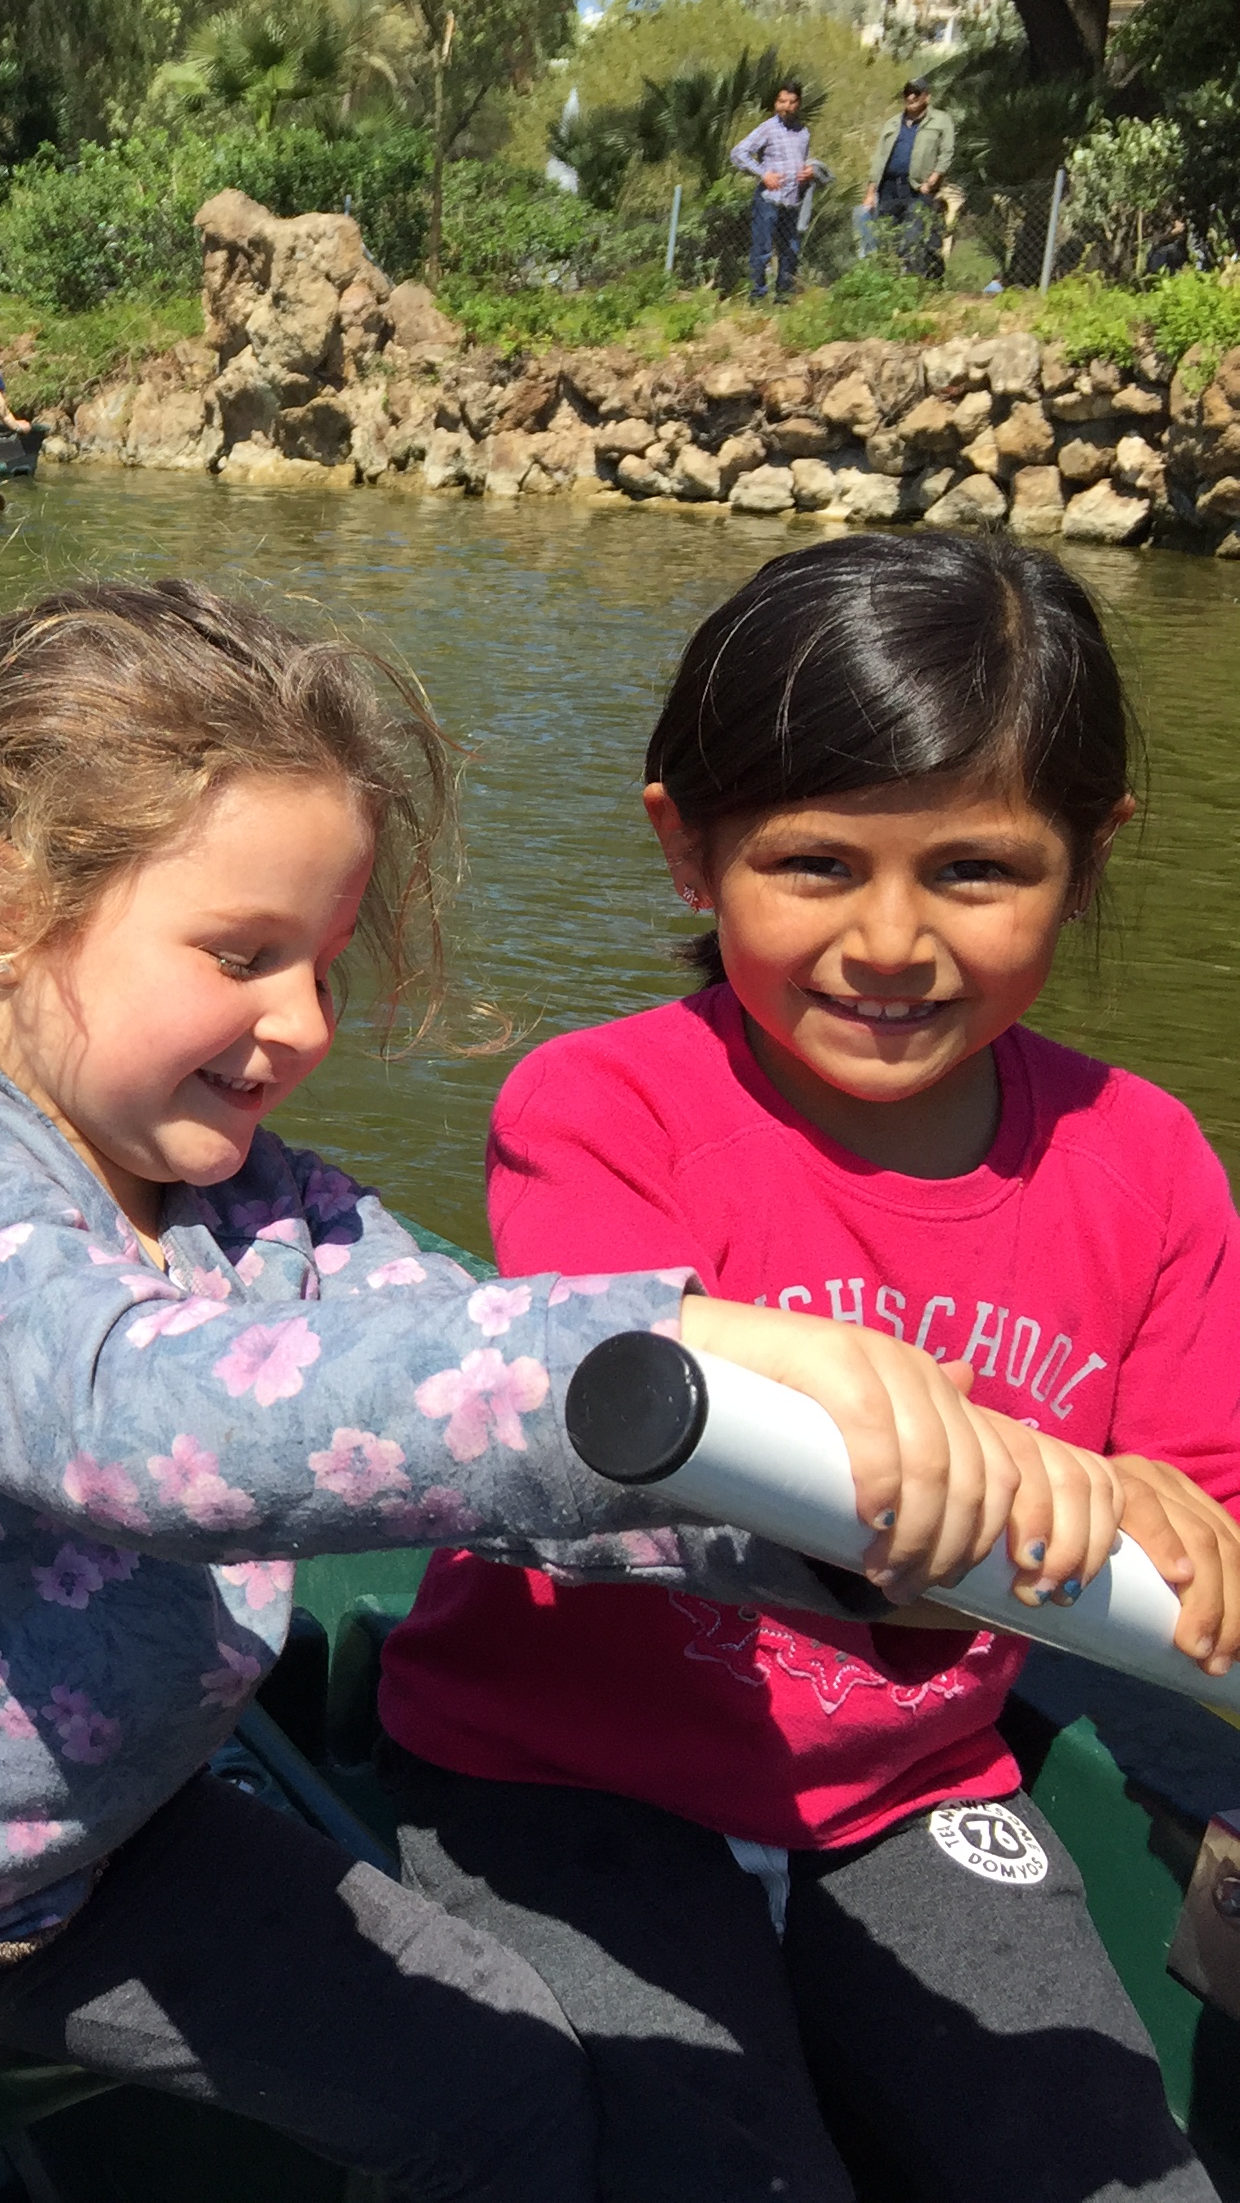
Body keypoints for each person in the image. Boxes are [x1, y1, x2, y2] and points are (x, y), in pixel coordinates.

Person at [0, 581, 1061, 2203]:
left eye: (319, 961)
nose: (302, 1023)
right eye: (241, 955)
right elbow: (132, 1423)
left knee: (516, 2087)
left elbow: (495, 1420)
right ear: (4, 909)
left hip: (83, 1859)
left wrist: (838, 1540)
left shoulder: (270, 1214)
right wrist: (687, 1342)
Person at [378, 532, 1240, 2203]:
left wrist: (1148, 1511)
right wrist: (1023, 1490)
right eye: (816, 863)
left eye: (975, 871)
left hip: (906, 1784)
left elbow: (1197, 1521)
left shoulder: (1145, 1162)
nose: (889, 941)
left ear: (1085, 861)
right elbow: (613, 1431)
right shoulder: (596, 1110)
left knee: (1106, 2167)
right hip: (554, 1772)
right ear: (687, 851)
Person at [731, 83, 829, 304]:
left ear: (798, 104)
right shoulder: (768, 129)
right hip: (769, 199)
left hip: (792, 200)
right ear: (776, 103)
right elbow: (739, 153)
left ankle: (783, 296)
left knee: (790, 249)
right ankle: (757, 297)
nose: (787, 106)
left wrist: (808, 173)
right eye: (782, 101)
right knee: (762, 249)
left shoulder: (803, 132)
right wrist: (763, 174)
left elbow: (802, 161)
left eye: (792, 102)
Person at [857, 79, 956, 277]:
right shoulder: (892, 123)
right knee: (886, 237)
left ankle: (913, 280)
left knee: (913, 237)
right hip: (889, 189)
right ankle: (887, 279)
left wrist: (932, 180)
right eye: (907, 93)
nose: (911, 97)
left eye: (916, 93)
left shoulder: (941, 120)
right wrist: (870, 192)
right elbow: (879, 158)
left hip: (918, 189)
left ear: (926, 96)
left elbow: (946, 153)